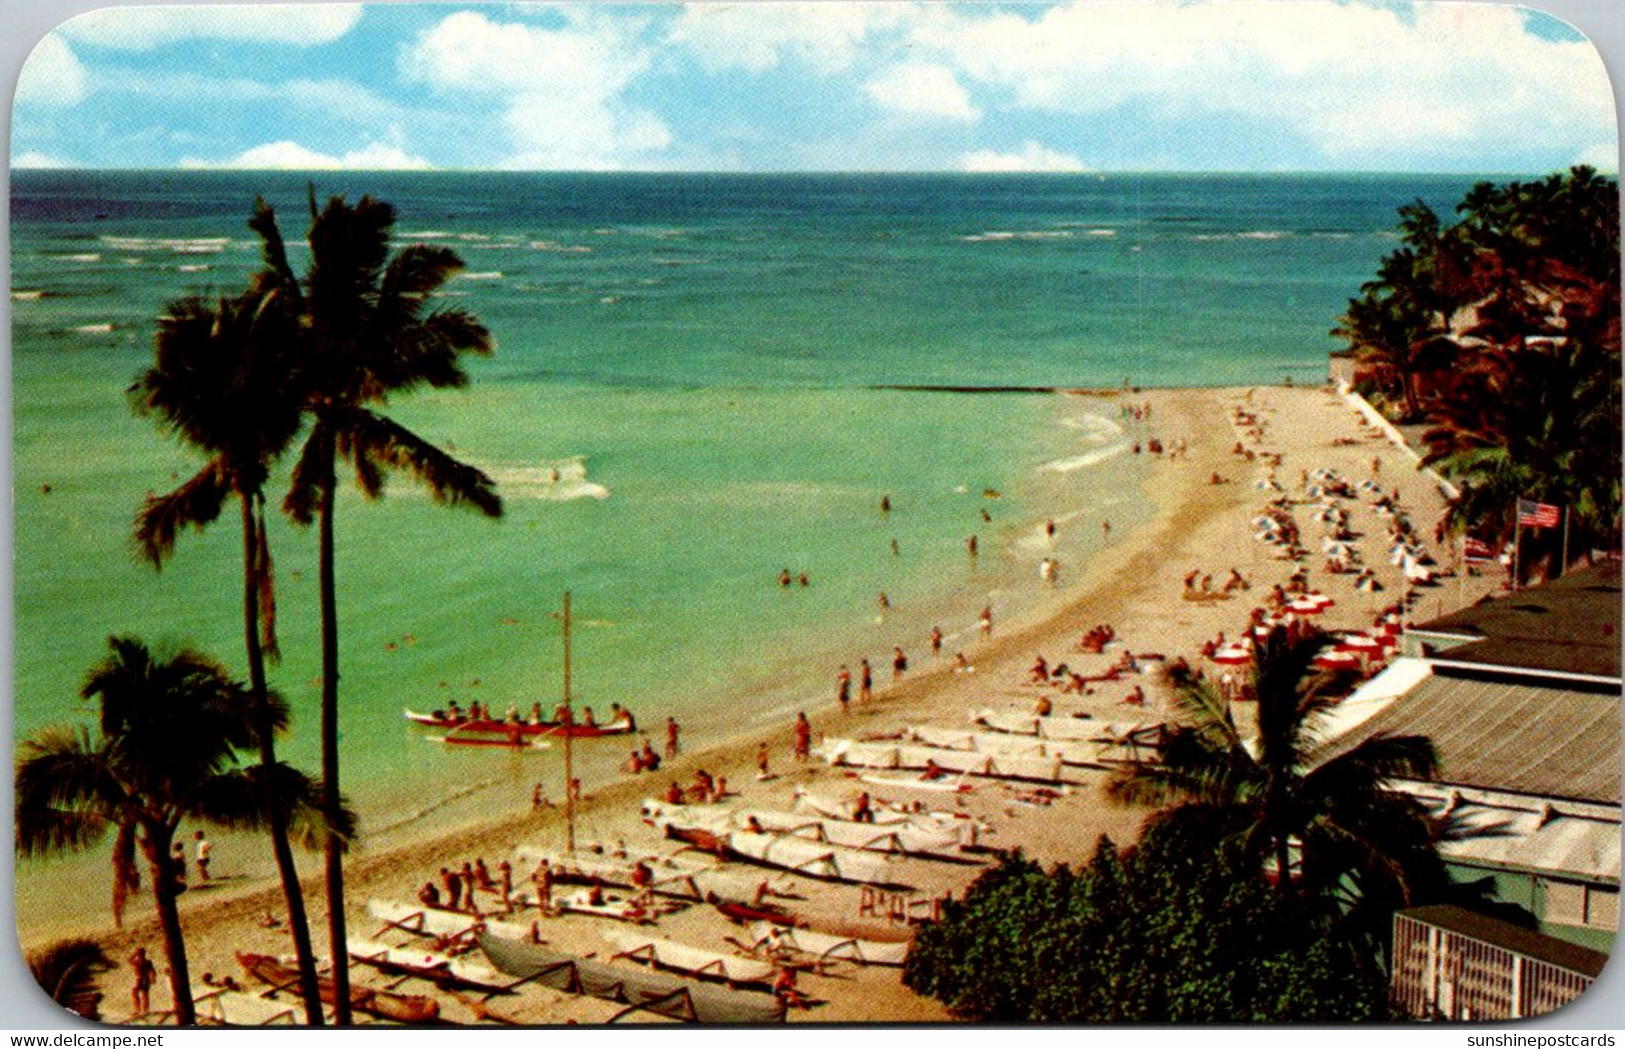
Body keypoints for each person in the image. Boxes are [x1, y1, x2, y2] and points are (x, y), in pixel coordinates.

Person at [129, 947, 156, 1016]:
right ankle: (144, 1009)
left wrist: (134, 954)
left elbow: (130, 960)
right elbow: (152, 971)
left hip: (140, 979)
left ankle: (138, 1009)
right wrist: (152, 978)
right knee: (144, 994)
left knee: (136, 993)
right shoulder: (147, 962)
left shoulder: (137, 962)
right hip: (145, 979)